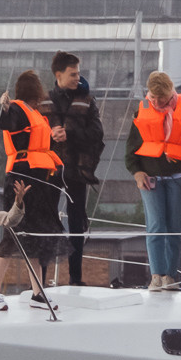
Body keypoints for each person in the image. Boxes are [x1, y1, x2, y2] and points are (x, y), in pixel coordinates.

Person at [126, 70, 181, 292]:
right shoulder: (142, 110)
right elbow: (130, 150)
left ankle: (171, 276)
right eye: (153, 97)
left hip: (179, 178)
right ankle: (156, 275)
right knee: (156, 226)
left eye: (162, 97)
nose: (157, 102)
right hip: (150, 178)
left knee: (174, 227)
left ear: (171, 91)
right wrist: (136, 172)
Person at [0, 67, 67, 289]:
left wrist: (53, 138)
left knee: (35, 237)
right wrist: (5, 108)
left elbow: (37, 145)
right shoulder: (17, 109)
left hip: (40, 180)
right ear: (35, 93)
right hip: (22, 178)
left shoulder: (36, 114)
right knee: (15, 233)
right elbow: (7, 123)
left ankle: (38, 292)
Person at [46, 51, 106, 287]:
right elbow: (32, 135)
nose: (77, 78)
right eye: (73, 74)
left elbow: (97, 134)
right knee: (48, 222)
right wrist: (52, 135)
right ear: (58, 74)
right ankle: (41, 276)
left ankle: (75, 278)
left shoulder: (88, 101)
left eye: (79, 73)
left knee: (77, 223)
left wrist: (69, 133)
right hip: (50, 170)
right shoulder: (43, 100)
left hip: (77, 172)